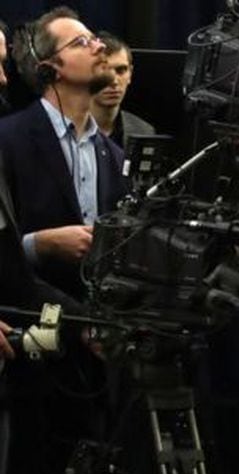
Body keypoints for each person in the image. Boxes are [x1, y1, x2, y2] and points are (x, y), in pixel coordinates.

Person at [1, 6, 126, 301]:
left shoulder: (116, 156)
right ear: (49, 68)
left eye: (95, 38)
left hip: (99, 329)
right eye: (82, 42)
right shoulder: (7, 141)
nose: (100, 47)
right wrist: (39, 245)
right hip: (27, 329)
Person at [91, 32, 155, 149]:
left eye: (121, 70)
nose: (114, 81)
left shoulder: (143, 132)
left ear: (130, 73)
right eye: (103, 71)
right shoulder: (64, 130)